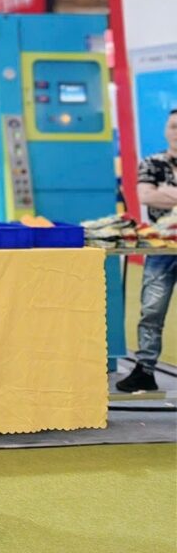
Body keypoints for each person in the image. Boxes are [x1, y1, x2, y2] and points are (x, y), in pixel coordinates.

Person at [117, 108, 177, 393]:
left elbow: (156, 195)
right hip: (160, 248)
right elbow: (145, 196)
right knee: (152, 310)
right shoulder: (151, 163)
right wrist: (157, 195)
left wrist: (165, 193)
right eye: (173, 126)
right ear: (166, 131)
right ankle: (145, 370)